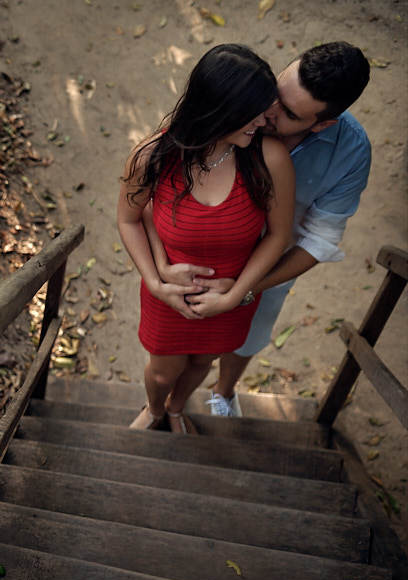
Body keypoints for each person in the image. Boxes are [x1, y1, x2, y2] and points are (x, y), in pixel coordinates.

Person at [157, 42, 372, 417]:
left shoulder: (351, 153)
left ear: (322, 124)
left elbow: (320, 239)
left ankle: (223, 393)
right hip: (198, 253)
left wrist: (245, 289)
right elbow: (165, 163)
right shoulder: (245, 103)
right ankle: (169, 403)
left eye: (287, 113)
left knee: (247, 337)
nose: (267, 111)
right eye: (275, 92)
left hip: (270, 269)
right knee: (175, 341)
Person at [117, 43, 295, 434]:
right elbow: (129, 219)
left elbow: (278, 235)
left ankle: (178, 410)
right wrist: (154, 279)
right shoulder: (151, 157)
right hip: (168, 296)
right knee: (164, 372)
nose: (266, 119)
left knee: (203, 363)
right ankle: (155, 408)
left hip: (232, 298)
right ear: (220, 109)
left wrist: (234, 296)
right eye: (256, 111)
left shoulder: (270, 159)